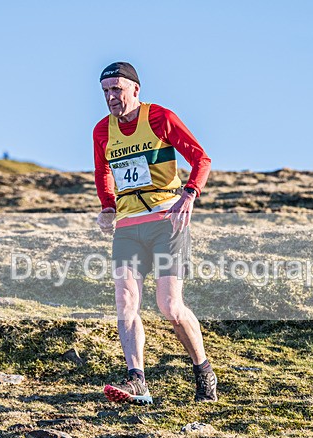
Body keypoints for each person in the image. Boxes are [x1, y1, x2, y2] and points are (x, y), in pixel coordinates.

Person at [93, 62, 215, 405]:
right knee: (125, 301)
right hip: (129, 226)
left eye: (117, 90)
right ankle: (137, 381)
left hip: (166, 220)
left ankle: (203, 369)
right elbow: (103, 171)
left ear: (135, 89)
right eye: (105, 92)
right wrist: (107, 206)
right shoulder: (102, 130)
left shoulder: (160, 117)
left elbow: (201, 158)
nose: (111, 98)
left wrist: (189, 194)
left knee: (170, 306)